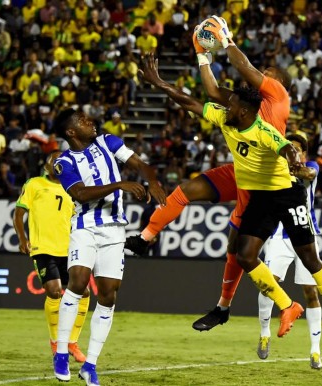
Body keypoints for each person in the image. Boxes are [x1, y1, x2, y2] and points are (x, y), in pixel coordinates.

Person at [140, 53, 322, 345]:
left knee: (308, 257)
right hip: (258, 192)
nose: (228, 107)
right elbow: (197, 99)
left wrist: (295, 162)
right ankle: (288, 306)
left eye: (268, 73)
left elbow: (285, 146)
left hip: (286, 192)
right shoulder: (233, 115)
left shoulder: (269, 115)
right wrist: (163, 80)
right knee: (244, 254)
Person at [125, 16, 293, 335]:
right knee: (187, 189)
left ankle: (223, 307)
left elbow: (245, 70)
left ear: (278, 83)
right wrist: (202, 53)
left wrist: (226, 40)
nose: (259, 76)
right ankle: (145, 239)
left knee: (235, 250)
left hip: (260, 181)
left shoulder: (278, 98)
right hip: (240, 167)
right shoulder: (243, 106)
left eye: (266, 75)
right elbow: (211, 89)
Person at [51, 109, 166, 385]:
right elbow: (79, 193)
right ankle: (62, 352)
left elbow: (139, 163)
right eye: (82, 120)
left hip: (115, 229)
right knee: (77, 281)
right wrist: (120, 184)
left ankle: (90, 364)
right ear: (71, 132)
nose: (90, 121)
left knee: (109, 295)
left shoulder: (107, 141)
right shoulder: (63, 162)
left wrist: (151, 180)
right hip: (85, 226)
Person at [13, 151, 89, 362]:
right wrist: (22, 238)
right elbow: (19, 213)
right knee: (54, 292)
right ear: (46, 166)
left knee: (84, 292)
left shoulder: (74, 189)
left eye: (60, 161)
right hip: (43, 248)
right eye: (52, 160)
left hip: (69, 248)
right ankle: (56, 342)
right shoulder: (34, 184)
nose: (56, 164)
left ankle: (72, 341)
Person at [257, 134, 322, 369]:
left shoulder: (311, 167)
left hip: (307, 236)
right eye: (288, 149)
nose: (292, 153)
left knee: (311, 292)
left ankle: (315, 351)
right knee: (268, 284)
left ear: (303, 154)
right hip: (279, 235)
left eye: (296, 150)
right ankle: (264, 334)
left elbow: (309, 174)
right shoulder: (276, 170)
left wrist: (292, 168)